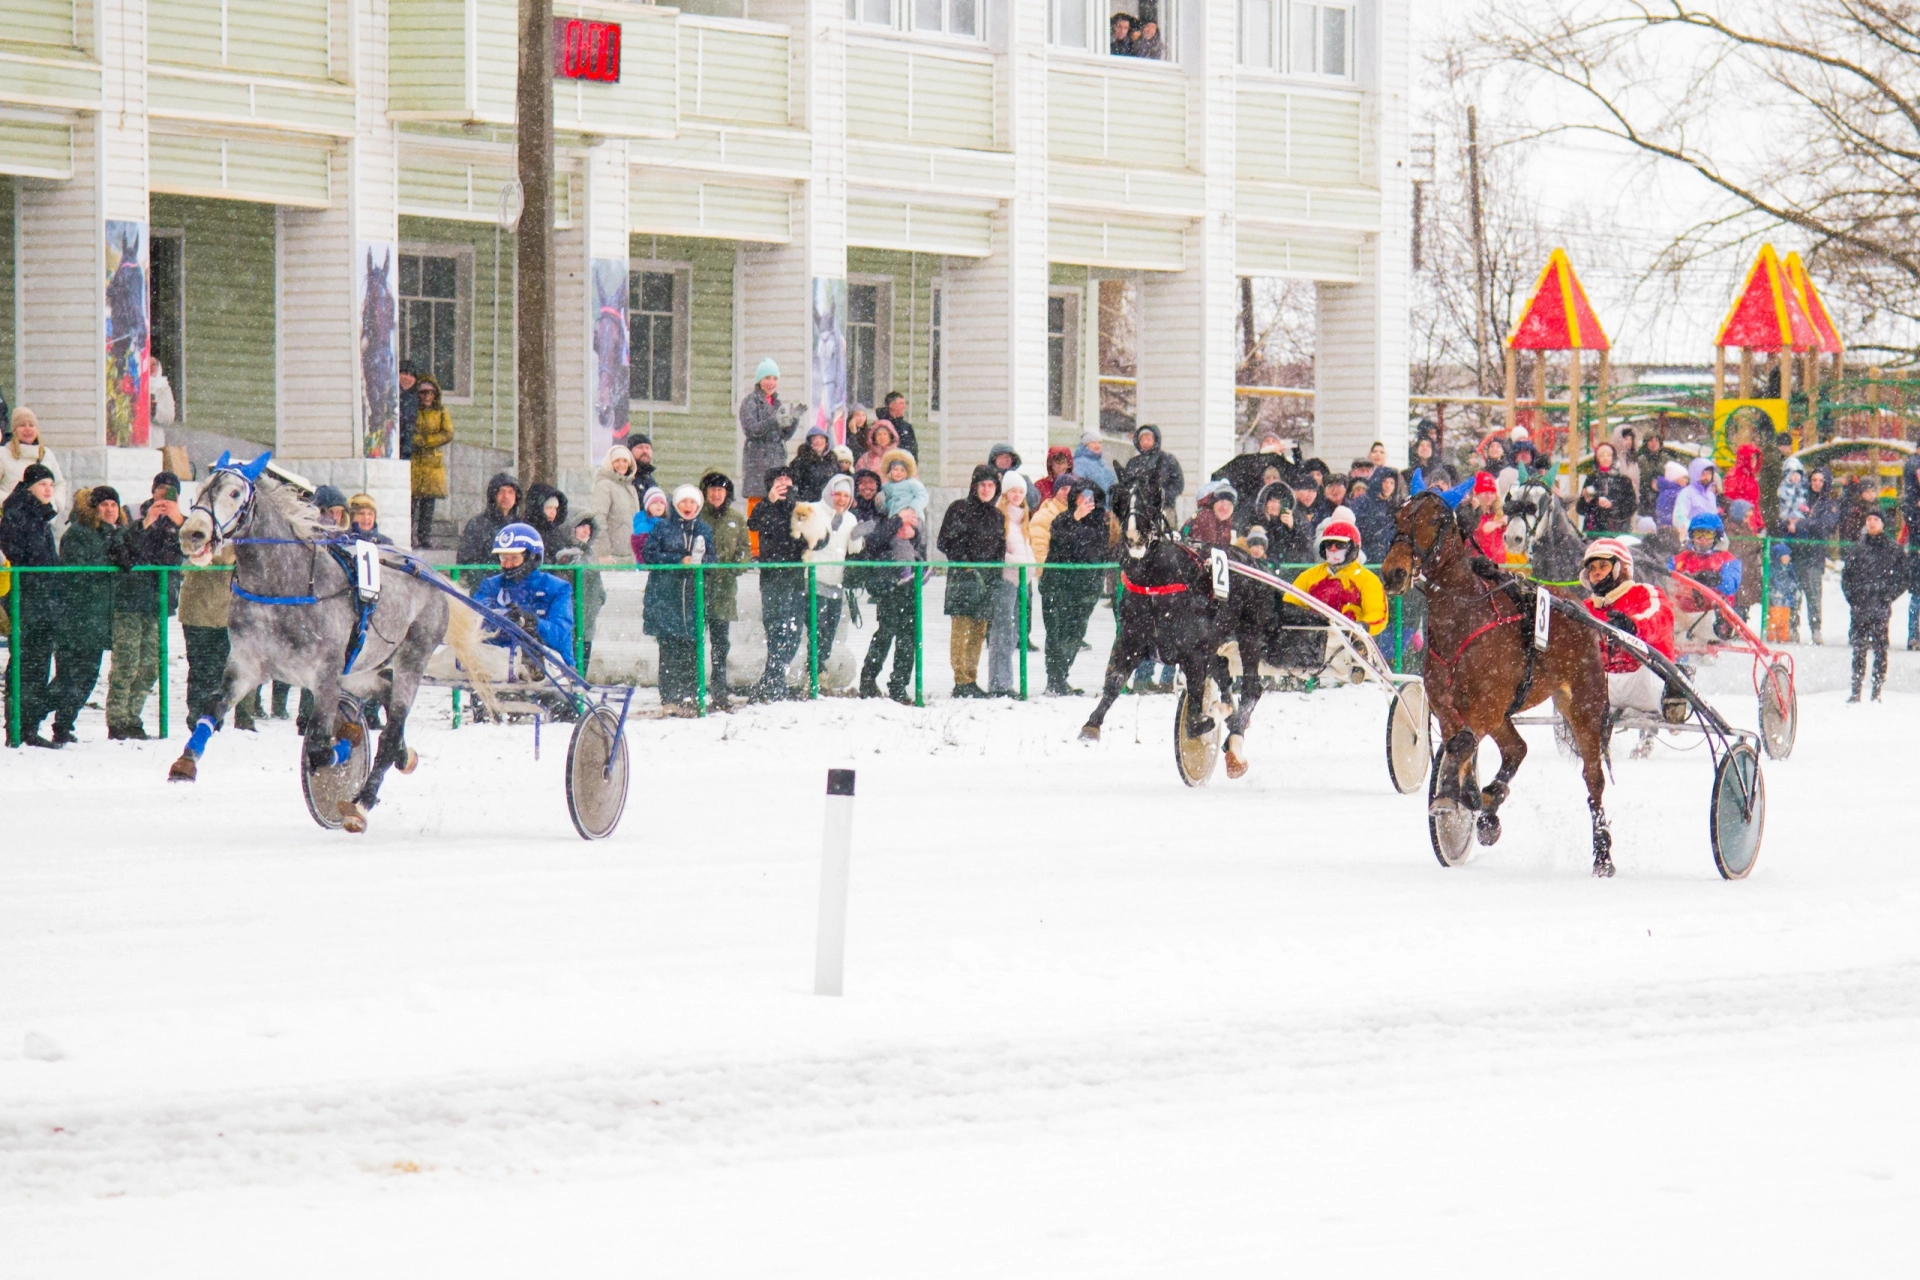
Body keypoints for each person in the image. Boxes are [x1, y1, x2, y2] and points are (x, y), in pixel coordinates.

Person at [106, 472, 185, 739]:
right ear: (152, 492)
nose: (164, 495)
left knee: (150, 666)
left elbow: (185, 553)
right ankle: (117, 719)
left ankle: (132, 717)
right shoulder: (132, 518)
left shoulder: (180, 524)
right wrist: (147, 523)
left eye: (170, 490)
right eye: (160, 489)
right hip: (130, 600)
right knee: (127, 662)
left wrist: (179, 522)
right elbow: (126, 554)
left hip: (158, 602)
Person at [1579, 538, 1684, 724]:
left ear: (1622, 568)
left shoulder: (1644, 592)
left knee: (1654, 674)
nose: (1596, 573)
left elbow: (1660, 617)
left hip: (1643, 680)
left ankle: (1673, 696)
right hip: (1604, 686)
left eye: (1603, 566)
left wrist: (1632, 625)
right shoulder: (1585, 608)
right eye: (1592, 568)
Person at [48, 486, 121, 745]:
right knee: (68, 679)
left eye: (114, 504)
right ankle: (27, 717)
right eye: (104, 505)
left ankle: (63, 724)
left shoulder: (110, 533)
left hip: (96, 619)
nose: (109, 509)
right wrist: (111, 562)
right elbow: (78, 571)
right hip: (76, 618)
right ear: (93, 508)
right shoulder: (78, 533)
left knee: (87, 678)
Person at [641, 486, 717, 714]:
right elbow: (649, 554)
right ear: (675, 504)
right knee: (669, 650)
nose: (688, 507)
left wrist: (702, 563)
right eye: (684, 502)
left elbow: (713, 560)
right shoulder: (663, 527)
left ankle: (691, 696)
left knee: (692, 649)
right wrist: (677, 560)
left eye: (692, 503)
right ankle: (670, 699)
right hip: (666, 598)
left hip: (693, 599)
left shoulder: (704, 530)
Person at [0, 462, 60, 745]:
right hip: (25, 600)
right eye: (43, 484)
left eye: (51, 484)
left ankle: (29, 726)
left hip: (41, 600)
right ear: (29, 487)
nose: (48, 489)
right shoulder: (17, 516)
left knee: (38, 664)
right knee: (24, 663)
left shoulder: (41, 517)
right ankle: (16, 725)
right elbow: (18, 559)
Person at [937, 465, 1005, 699]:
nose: (986, 489)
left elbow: (1000, 550)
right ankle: (961, 679)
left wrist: (994, 575)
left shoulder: (997, 516)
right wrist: (965, 562)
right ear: (974, 486)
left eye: (991, 485)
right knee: (962, 629)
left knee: (979, 630)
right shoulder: (959, 509)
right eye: (982, 485)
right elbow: (945, 541)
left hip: (987, 580)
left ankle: (971, 678)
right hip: (963, 578)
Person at [1039, 480, 1110, 697]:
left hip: (1085, 590)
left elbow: (1101, 552)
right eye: (1080, 496)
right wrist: (1075, 518)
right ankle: (1054, 680)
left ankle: (1061, 678)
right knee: (1056, 635)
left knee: (1075, 635)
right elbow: (1060, 541)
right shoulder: (1062, 519)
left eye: (1090, 496)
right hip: (1058, 587)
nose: (1085, 501)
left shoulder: (1101, 523)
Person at [472, 522, 575, 668]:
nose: (507, 565)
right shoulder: (490, 586)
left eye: (514, 558)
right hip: (499, 667)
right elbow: (476, 619)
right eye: (503, 558)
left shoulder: (558, 588)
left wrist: (531, 622)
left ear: (532, 557)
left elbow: (558, 635)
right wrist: (501, 617)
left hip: (552, 671)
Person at [749, 466, 808, 701]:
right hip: (773, 576)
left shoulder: (801, 507)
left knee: (793, 631)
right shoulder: (765, 506)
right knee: (776, 630)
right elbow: (753, 524)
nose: (783, 482)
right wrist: (769, 503)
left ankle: (772, 680)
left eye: (787, 478)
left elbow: (814, 536)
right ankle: (773, 683)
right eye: (778, 479)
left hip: (795, 576)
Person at [859, 492, 924, 704]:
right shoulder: (871, 514)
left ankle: (899, 685)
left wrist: (913, 533)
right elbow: (874, 540)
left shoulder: (910, 510)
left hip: (908, 582)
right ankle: (868, 679)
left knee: (909, 636)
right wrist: (897, 521)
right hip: (887, 582)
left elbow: (920, 544)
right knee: (886, 632)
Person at [179, 542, 246, 732]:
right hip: (198, 612)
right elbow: (190, 563)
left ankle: (213, 716)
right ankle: (198, 715)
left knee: (219, 670)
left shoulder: (238, 540)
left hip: (226, 614)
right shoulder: (200, 537)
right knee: (200, 668)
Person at [698, 471, 750, 710]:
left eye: (720, 490)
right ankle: (694, 689)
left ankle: (720, 691)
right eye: (712, 490)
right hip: (699, 587)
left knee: (720, 643)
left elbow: (744, 549)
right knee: (695, 639)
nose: (716, 494)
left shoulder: (736, 519)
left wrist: (736, 567)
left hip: (725, 590)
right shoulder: (698, 517)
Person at [799, 473, 862, 663]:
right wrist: (830, 530)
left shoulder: (850, 518)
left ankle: (819, 669)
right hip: (814, 580)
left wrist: (857, 535)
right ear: (829, 493)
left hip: (836, 582)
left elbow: (853, 550)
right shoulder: (813, 510)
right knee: (817, 629)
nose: (842, 500)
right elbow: (807, 541)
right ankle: (814, 672)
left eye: (846, 496)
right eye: (838, 494)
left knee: (830, 632)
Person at [1842, 508, 1903, 702]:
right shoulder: (1857, 548)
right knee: (1858, 649)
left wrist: (1887, 595)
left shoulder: (1893, 549)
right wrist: (1854, 598)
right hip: (1860, 606)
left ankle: (1877, 690)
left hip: (1880, 605)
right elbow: (1846, 577)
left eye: (1876, 519)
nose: (1872, 522)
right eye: (1869, 519)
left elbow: (1902, 578)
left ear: (1883, 523)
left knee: (1880, 648)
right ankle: (1856, 690)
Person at [985, 471, 1036, 697]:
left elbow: (1028, 550)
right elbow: (998, 554)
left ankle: (1005, 681)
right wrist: (1020, 563)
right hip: (1005, 580)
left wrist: (1030, 566)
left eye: (1020, 492)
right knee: (1003, 632)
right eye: (1013, 491)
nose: (1017, 495)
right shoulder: (999, 518)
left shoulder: (1022, 520)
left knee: (1015, 632)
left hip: (1021, 582)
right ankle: (1000, 683)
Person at [1668, 512, 1743, 644]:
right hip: (1682, 614)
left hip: (1712, 617)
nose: (1702, 538)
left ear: (1717, 536)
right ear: (1692, 536)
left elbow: (1731, 585)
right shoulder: (1679, 560)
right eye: (1698, 534)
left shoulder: (1728, 560)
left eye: (1707, 534)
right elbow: (1664, 579)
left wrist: (1716, 579)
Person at [739, 359, 800, 504]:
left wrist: (794, 420)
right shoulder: (750, 401)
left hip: (777, 464)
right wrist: (773, 421)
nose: (771, 382)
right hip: (758, 465)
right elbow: (751, 430)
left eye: (775, 378)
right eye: (767, 378)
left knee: (778, 509)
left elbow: (784, 436)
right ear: (759, 380)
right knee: (758, 509)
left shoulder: (778, 403)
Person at [555, 514, 606, 673]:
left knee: (584, 661)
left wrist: (600, 597)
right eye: (582, 527)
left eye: (589, 528)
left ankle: (580, 690)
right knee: (571, 665)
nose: (586, 531)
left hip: (588, 617)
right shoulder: (566, 555)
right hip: (573, 618)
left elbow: (596, 581)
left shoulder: (589, 553)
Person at [408, 374, 453, 547]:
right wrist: (415, 440)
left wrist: (426, 441)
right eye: (422, 392)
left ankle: (424, 537)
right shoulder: (412, 409)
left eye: (430, 392)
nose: (426, 396)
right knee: (411, 503)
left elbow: (448, 433)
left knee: (428, 504)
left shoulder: (441, 411)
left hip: (432, 463)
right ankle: (410, 536)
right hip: (414, 461)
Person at [1798, 466, 1839, 644]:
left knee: (1813, 594)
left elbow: (1826, 527)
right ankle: (1792, 627)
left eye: (1820, 481)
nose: (1817, 484)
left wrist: (1804, 524)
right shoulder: (1800, 498)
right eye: (1814, 480)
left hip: (1815, 555)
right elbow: (1787, 521)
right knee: (1794, 593)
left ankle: (1816, 629)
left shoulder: (1830, 504)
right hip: (1797, 552)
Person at [457, 472, 522, 585]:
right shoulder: (477, 524)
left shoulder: (521, 526)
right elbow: (466, 561)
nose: (506, 496)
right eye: (501, 491)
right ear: (493, 495)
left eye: (511, 492)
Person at [1, 407, 67, 517]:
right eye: (22, 425)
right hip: (12, 522)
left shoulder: (46, 454)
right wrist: (14, 504)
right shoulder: (3, 454)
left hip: (42, 521)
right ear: (14, 430)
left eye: (31, 425)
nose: (28, 429)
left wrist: (54, 504)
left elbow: (59, 484)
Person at [590, 446, 641, 566]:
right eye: (617, 461)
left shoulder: (630, 488)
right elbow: (598, 519)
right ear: (610, 463)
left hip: (630, 554)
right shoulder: (604, 486)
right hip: (612, 556)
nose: (621, 464)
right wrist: (603, 552)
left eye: (624, 461)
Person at [1119, 425, 1183, 519]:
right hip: (1137, 510)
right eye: (1142, 439)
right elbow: (1126, 484)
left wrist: (1163, 496)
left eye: (1148, 439)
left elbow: (1178, 483)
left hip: (1164, 508)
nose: (1145, 442)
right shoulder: (1133, 463)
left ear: (1155, 440)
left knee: (1167, 530)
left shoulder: (1167, 460)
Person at [1213, 430, 1295, 503]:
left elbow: (1297, 477)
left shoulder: (1285, 464)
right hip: (1249, 506)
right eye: (1267, 441)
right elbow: (1219, 476)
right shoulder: (1247, 460)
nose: (1270, 443)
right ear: (1260, 446)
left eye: (1273, 441)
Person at [1576, 441, 1637, 534]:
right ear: (1597, 459)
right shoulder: (1591, 479)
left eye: (1608, 455)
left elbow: (1632, 506)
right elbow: (1580, 508)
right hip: (1594, 531)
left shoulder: (1624, 480)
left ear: (1613, 458)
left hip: (1618, 530)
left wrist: (1613, 505)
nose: (1605, 459)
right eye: (1601, 456)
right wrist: (1595, 502)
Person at [1350, 469, 1402, 563]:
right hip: (1366, 554)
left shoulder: (1396, 505)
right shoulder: (1362, 502)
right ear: (1377, 482)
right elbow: (1358, 526)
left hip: (1389, 556)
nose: (1388, 486)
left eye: (1392, 483)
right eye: (1385, 482)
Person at [1462, 472, 1506, 563]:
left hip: (1499, 567)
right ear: (1476, 494)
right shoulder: (1471, 512)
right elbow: (1484, 528)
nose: (1490, 496)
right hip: (1477, 566)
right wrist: (1500, 522)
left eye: (1492, 493)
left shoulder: (1498, 512)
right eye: (1485, 492)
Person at [789, 425, 842, 501]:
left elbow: (839, 480)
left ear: (826, 441)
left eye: (821, 438)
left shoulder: (833, 460)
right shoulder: (801, 461)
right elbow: (795, 483)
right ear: (809, 442)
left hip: (830, 502)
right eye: (814, 438)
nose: (818, 441)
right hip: (810, 503)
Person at [1671, 458, 1719, 537]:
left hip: (1709, 540)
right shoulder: (1687, 493)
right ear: (1695, 474)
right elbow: (1678, 517)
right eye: (1703, 474)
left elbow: (1714, 519)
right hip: (1691, 540)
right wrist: (1696, 530)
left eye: (1709, 473)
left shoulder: (1711, 496)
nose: (1706, 477)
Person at [1183, 480, 1238, 547]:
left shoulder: (1225, 521)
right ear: (1213, 502)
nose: (1225, 508)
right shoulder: (1205, 517)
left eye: (1229, 504)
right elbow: (1205, 552)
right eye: (1221, 501)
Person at [879, 447, 929, 520]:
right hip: (895, 519)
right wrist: (880, 503)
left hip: (913, 517)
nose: (899, 472)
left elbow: (922, 496)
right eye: (895, 469)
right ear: (889, 471)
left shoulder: (912, 483)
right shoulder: (886, 487)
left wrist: (912, 508)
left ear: (907, 472)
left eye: (902, 470)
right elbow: (885, 506)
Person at [524, 482, 571, 557]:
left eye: (555, 508)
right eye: (548, 508)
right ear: (538, 508)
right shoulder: (526, 530)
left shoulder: (556, 532)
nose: (553, 512)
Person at [1723, 443, 1763, 530]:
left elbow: (1755, 504)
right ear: (1745, 459)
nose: (1754, 461)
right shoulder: (1734, 476)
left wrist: (1759, 523)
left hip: (1752, 522)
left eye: (1756, 458)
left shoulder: (1750, 477)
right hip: (1741, 523)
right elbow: (1731, 502)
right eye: (1751, 458)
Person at [1072, 428, 1118, 494]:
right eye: (1093, 442)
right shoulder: (1079, 463)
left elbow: (1111, 483)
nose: (1097, 445)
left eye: (1099, 442)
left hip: (1107, 502)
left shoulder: (1103, 462)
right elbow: (1080, 487)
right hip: (1092, 503)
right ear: (1086, 445)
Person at [876, 390, 919, 457]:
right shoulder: (880, 425)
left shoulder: (907, 427)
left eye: (905, 403)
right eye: (901, 403)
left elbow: (913, 450)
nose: (904, 406)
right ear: (891, 405)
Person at [631, 486, 668, 561]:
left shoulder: (668, 524)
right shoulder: (642, 525)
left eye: (662, 502)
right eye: (654, 502)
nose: (659, 505)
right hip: (645, 568)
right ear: (647, 506)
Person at [397, 362, 420, 461]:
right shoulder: (388, 393)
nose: (408, 378)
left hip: (407, 450)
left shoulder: (414, 398)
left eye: (412, 375)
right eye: (405, 373)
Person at [627, 434, 658, 499]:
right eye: (640, 447)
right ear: (630, 451)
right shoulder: (626, 476)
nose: (645, 451)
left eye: (647, 448)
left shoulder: (650, 479)